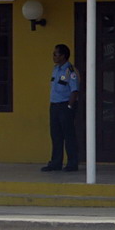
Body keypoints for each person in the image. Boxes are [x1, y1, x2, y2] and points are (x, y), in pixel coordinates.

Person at [42, 43, 80, 172]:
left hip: (65, 106)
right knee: (56, 135)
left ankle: (72, 163)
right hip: (55, 105)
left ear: (63, 56)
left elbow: (74, 90)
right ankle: (55, 162)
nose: (53, 56)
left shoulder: (69, 71)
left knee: (68, 135)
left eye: (55, 54)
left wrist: (70, 106)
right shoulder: (56, 69)